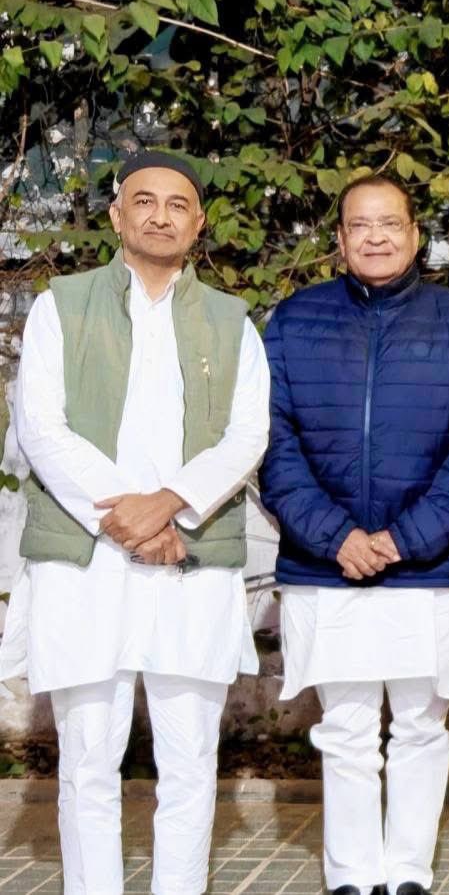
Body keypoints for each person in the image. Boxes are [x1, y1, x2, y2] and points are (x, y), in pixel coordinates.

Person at [0, 150, 270, 893]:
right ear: (117, 215)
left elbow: (248, 434)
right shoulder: (62, 305)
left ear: (198, 223)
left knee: (190, 757)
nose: (160, 216)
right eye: (144, 201)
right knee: (89, 757)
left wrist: (173, 502)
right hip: (88, 559)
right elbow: (41, 426)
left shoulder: (231, 321)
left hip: (189, 555)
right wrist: (134, 514)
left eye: (178, 204)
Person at [259, 174, 449, 895]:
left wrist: (401, 540)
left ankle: (409, 872)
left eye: (390, 223)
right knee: (347, 727)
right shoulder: (294, 322)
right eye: (359, 225)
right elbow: (273, 445)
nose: (376, 237)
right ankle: (352, 876)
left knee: (421, 726)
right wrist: (336, 536)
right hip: (325, 565)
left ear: (416, 235)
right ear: (339, 238)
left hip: (429, 567)